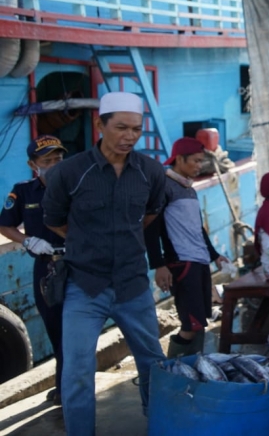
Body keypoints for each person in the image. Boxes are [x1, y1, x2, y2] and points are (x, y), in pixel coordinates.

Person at [42, 92, 167, 435]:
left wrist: (120, 237)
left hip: (132, 284)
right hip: (84, 286)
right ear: (100, 125)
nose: (130, 136)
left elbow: (151, 213)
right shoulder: (69, 173)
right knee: (77, 370)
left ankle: (158, 423)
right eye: (122, 127)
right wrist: (88, 242)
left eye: (137, 130)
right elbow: (54, 220)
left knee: (154, 362)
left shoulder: (151, 172)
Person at [144, 137, 230, 358]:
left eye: (201, 161)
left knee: (200, 322)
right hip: (182, 262)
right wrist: (158, 265)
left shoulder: (189, 189)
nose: (199, 166)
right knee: (190, 325)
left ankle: (194, 371)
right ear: (180, 159)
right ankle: (172, 368)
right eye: (196, 161)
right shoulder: (163, 186)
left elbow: (197, 229)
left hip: (199, 260)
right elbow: (151, 227)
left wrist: (215, 255)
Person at [0, 135, 68, 406]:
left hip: (78, 265)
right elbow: (5, 225)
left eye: (58, 160)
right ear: (32, 164)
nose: (53, 165)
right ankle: (63, 387)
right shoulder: (24, 191)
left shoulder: (75, 186)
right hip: (47, 269)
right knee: (55, 329)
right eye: (46, 161)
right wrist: (27, 240)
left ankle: (67, 389)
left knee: (75, 330)